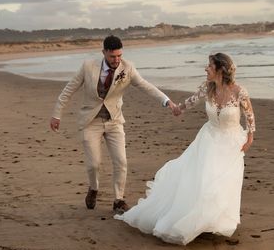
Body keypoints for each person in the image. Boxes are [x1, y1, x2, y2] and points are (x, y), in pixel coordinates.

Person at [115, 52, 255, 245]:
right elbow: (190, 102)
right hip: (209, 139)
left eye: (209, 66)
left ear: (221, 70)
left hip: (231, 142)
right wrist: (176, 108)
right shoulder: (208, 88)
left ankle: (216, 222)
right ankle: (198, 220)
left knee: (224, 182)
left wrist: (250, 137)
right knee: (205, 179)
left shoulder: (240, 91)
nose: (206, 68)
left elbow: (249, 117)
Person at [50, 35, 181, 214]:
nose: (117, 60)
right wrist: (57, 114)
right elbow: (68, 90)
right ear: (104, 52)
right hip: (91, 122)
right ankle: (94, 188)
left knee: (121, 161)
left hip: (115, 121)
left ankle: (118, 200)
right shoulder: (88, 66)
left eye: (119, 55)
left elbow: (145, 85)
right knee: (93, 164)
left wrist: (167, 101)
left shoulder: (127, 68)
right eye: (113, 56)